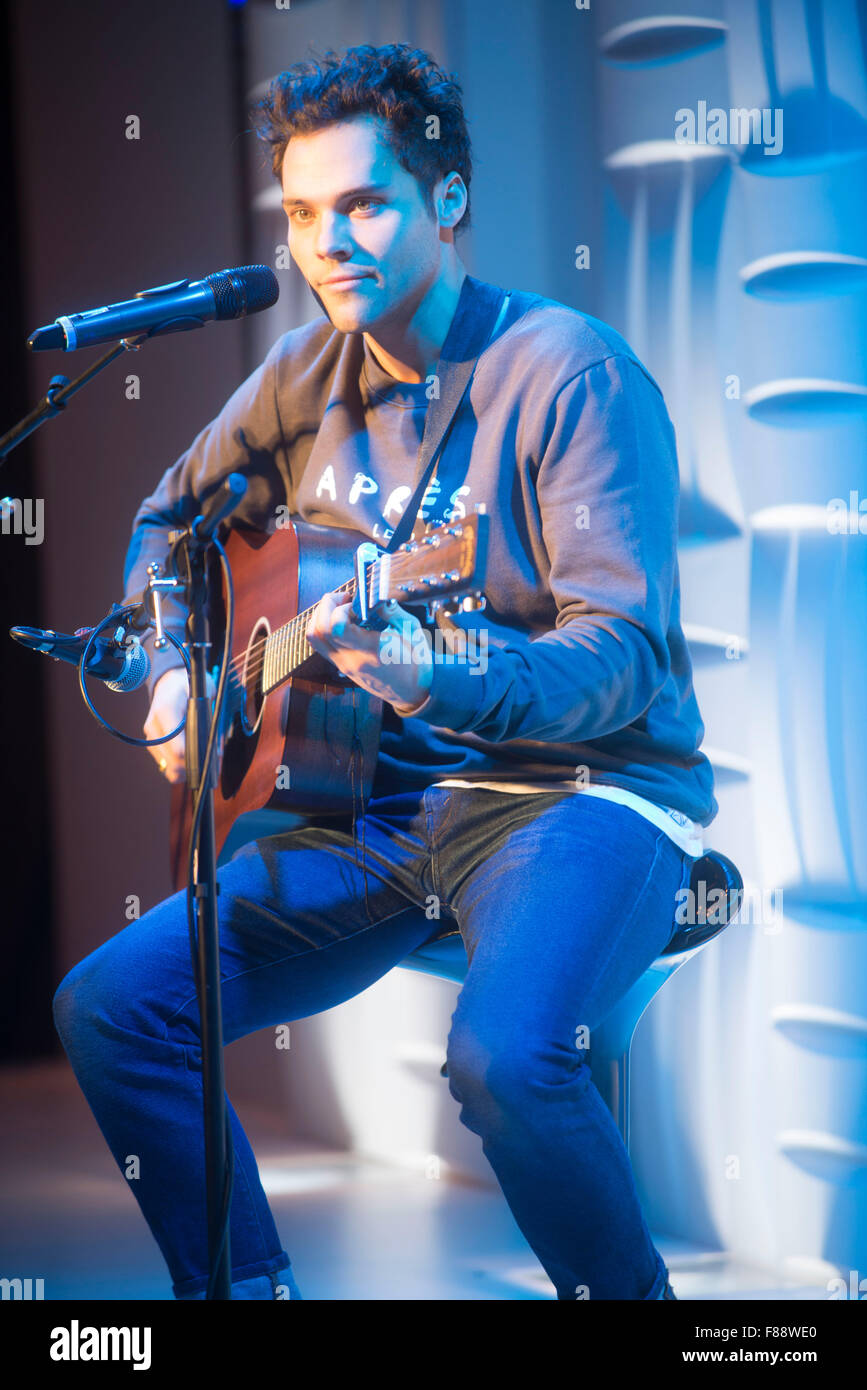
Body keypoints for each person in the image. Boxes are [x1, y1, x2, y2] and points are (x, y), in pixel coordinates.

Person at [52, 43, 716, 1301]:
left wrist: (435, 680)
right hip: (380, 810)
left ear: (448, 200)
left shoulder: (566, 371)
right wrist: (181, 661)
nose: (325, 243)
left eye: (363, 205)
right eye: (303, 214)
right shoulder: (307, 375)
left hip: (580, 792)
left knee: (509, 1059)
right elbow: (168, 520)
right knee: (112, 1007)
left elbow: (622, 657)